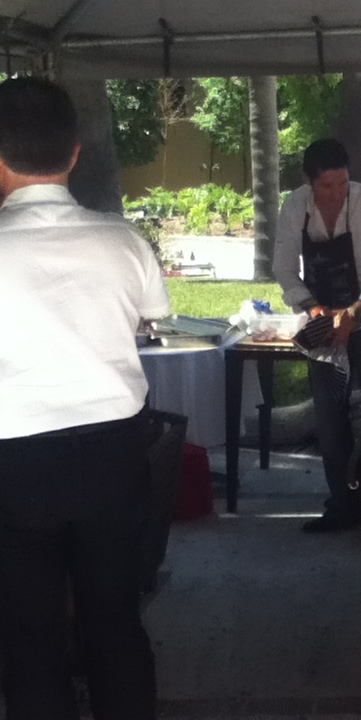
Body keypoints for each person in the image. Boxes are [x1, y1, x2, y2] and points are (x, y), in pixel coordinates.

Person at [0, 77, 170, 719]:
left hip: (14, 462)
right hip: (112, 456)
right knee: (114, 620)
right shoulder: (123, 240)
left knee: (29, 636)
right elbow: (153, 316)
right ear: (75, 153)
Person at [273, 138, 361, 533]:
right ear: (308, 181)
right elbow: (283, 269)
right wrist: (315, 310)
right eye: (326, 186)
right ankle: (344, 508)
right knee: (330, 419)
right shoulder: (294, 207)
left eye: (342, 183)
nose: (336, 193)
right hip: (323, 321)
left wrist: (355, 312)